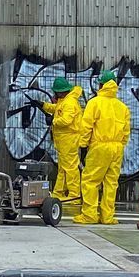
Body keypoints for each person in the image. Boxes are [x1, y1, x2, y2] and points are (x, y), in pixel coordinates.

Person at [72, 69, 130, 225]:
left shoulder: (95, 103)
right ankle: (107, 217)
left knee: (90, 180)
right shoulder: (122, 107)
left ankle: (89, 215)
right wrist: (119, 144)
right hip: (117, 147)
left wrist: (83, 145)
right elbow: (126, 132)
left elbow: (86, 126)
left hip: (100, 146)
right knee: (111, 183)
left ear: (101, 85)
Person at [41, 76, 84, 204]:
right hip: (64, 139)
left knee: (70, 167)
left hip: (69, 139)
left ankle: (74, 195)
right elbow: (57, 109)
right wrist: (43, 105)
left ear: (60, 91)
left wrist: (53, 121)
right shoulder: (65, 100)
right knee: (63, 167)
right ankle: (58, 192)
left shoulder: (69, 102)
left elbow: (66, 120)